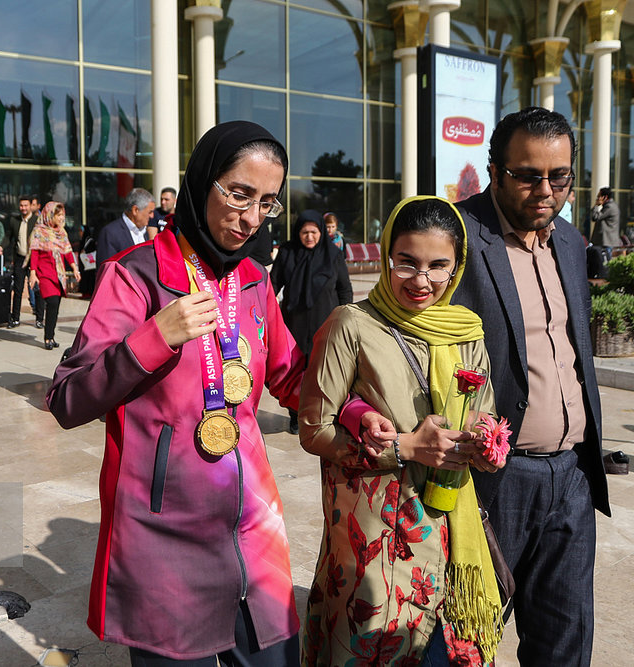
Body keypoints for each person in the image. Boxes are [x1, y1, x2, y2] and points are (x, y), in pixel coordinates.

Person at [47, 120, 306, 665]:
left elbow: (292, 377)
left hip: (251, 524)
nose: (252, 217)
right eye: (239, 194)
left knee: (276, 656)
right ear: (202, 181)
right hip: (164, 531)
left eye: (267, 202)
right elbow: (68, 399)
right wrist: (153, 338)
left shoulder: (256, 279)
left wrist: (361, 411)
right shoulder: (135, 275)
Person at [300, 196, 504, 666]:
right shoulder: (351, 325)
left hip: (450, 535)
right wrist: (406, 447)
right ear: (388, 255)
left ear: (457, 268)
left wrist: (487, 444)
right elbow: (313, 430)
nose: (421, 281)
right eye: (406, 263)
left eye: (438, 267)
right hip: (375, 547)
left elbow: (485, 412)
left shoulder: (466, 330)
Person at [453, 106, 610, 666]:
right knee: (466, 645)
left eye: (560, 176)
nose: (546, 189)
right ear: (495, 171)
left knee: (566, 644)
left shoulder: (568, 240)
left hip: (570, 478)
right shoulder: (459, 235)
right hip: (491, 482)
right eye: (528, 174)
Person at [271, 209, 353, 434]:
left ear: (321, 232)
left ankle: (323, 414)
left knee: (322, 372)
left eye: (314, 232)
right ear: (298, 232)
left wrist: (345, 319)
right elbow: (274, 283)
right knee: (295, 373)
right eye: (305, 232)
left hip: (325, 323)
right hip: (293, 324)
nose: (309, 237)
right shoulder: (288, 252)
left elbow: (344, 289)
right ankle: (296, 415)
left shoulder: (332, 255)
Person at [27, 201, 80, 350]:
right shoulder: (39, 232)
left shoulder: (61, 232)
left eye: (63, 214)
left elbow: (68, 251)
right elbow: (35, 253)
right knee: (52, 302)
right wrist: (33, 273)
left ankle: (50, 336)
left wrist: (75, 268)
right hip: (45, 273)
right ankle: (48, 337)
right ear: (50, 215)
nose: (62, 218)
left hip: (59, 274)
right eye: (59, 215)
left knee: (55, 306)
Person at [5, 195, 41, 328]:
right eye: (21, 206)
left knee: (36, 288)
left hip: (34, 259)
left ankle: (39, 318)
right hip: (20, 259)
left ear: (31, 206)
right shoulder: (14, 221)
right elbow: (8, 237)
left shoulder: (37, 221)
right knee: (18, 289)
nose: (23, 208)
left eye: (26, 205)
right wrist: (1, 247)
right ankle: (15, 318)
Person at [95, 187, 155, 263]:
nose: (152, 216)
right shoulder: (110, 233)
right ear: (135, 210)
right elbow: (106, 270)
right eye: (150, 212)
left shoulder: (144, 232)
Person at [589, 186, 620, 260]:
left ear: (605, 197)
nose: (597, 198)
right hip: (605, 241)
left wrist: (596, 205)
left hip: (606, 241)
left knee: (606, 262)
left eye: (599, 196)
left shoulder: (609, 207)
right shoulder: (610, 206)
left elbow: (595, 217)